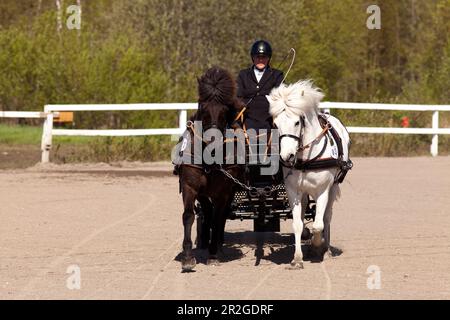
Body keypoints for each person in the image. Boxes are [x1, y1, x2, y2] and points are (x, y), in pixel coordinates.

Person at [236, 40, 284, 132]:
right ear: (253, 58)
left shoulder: (277, 75)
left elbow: (281, 98)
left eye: (264, 57)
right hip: (248, 121)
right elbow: (238, 97)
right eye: (258, 57)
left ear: (268, 58)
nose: (260, 60)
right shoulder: (243, 75)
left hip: (270, 122)